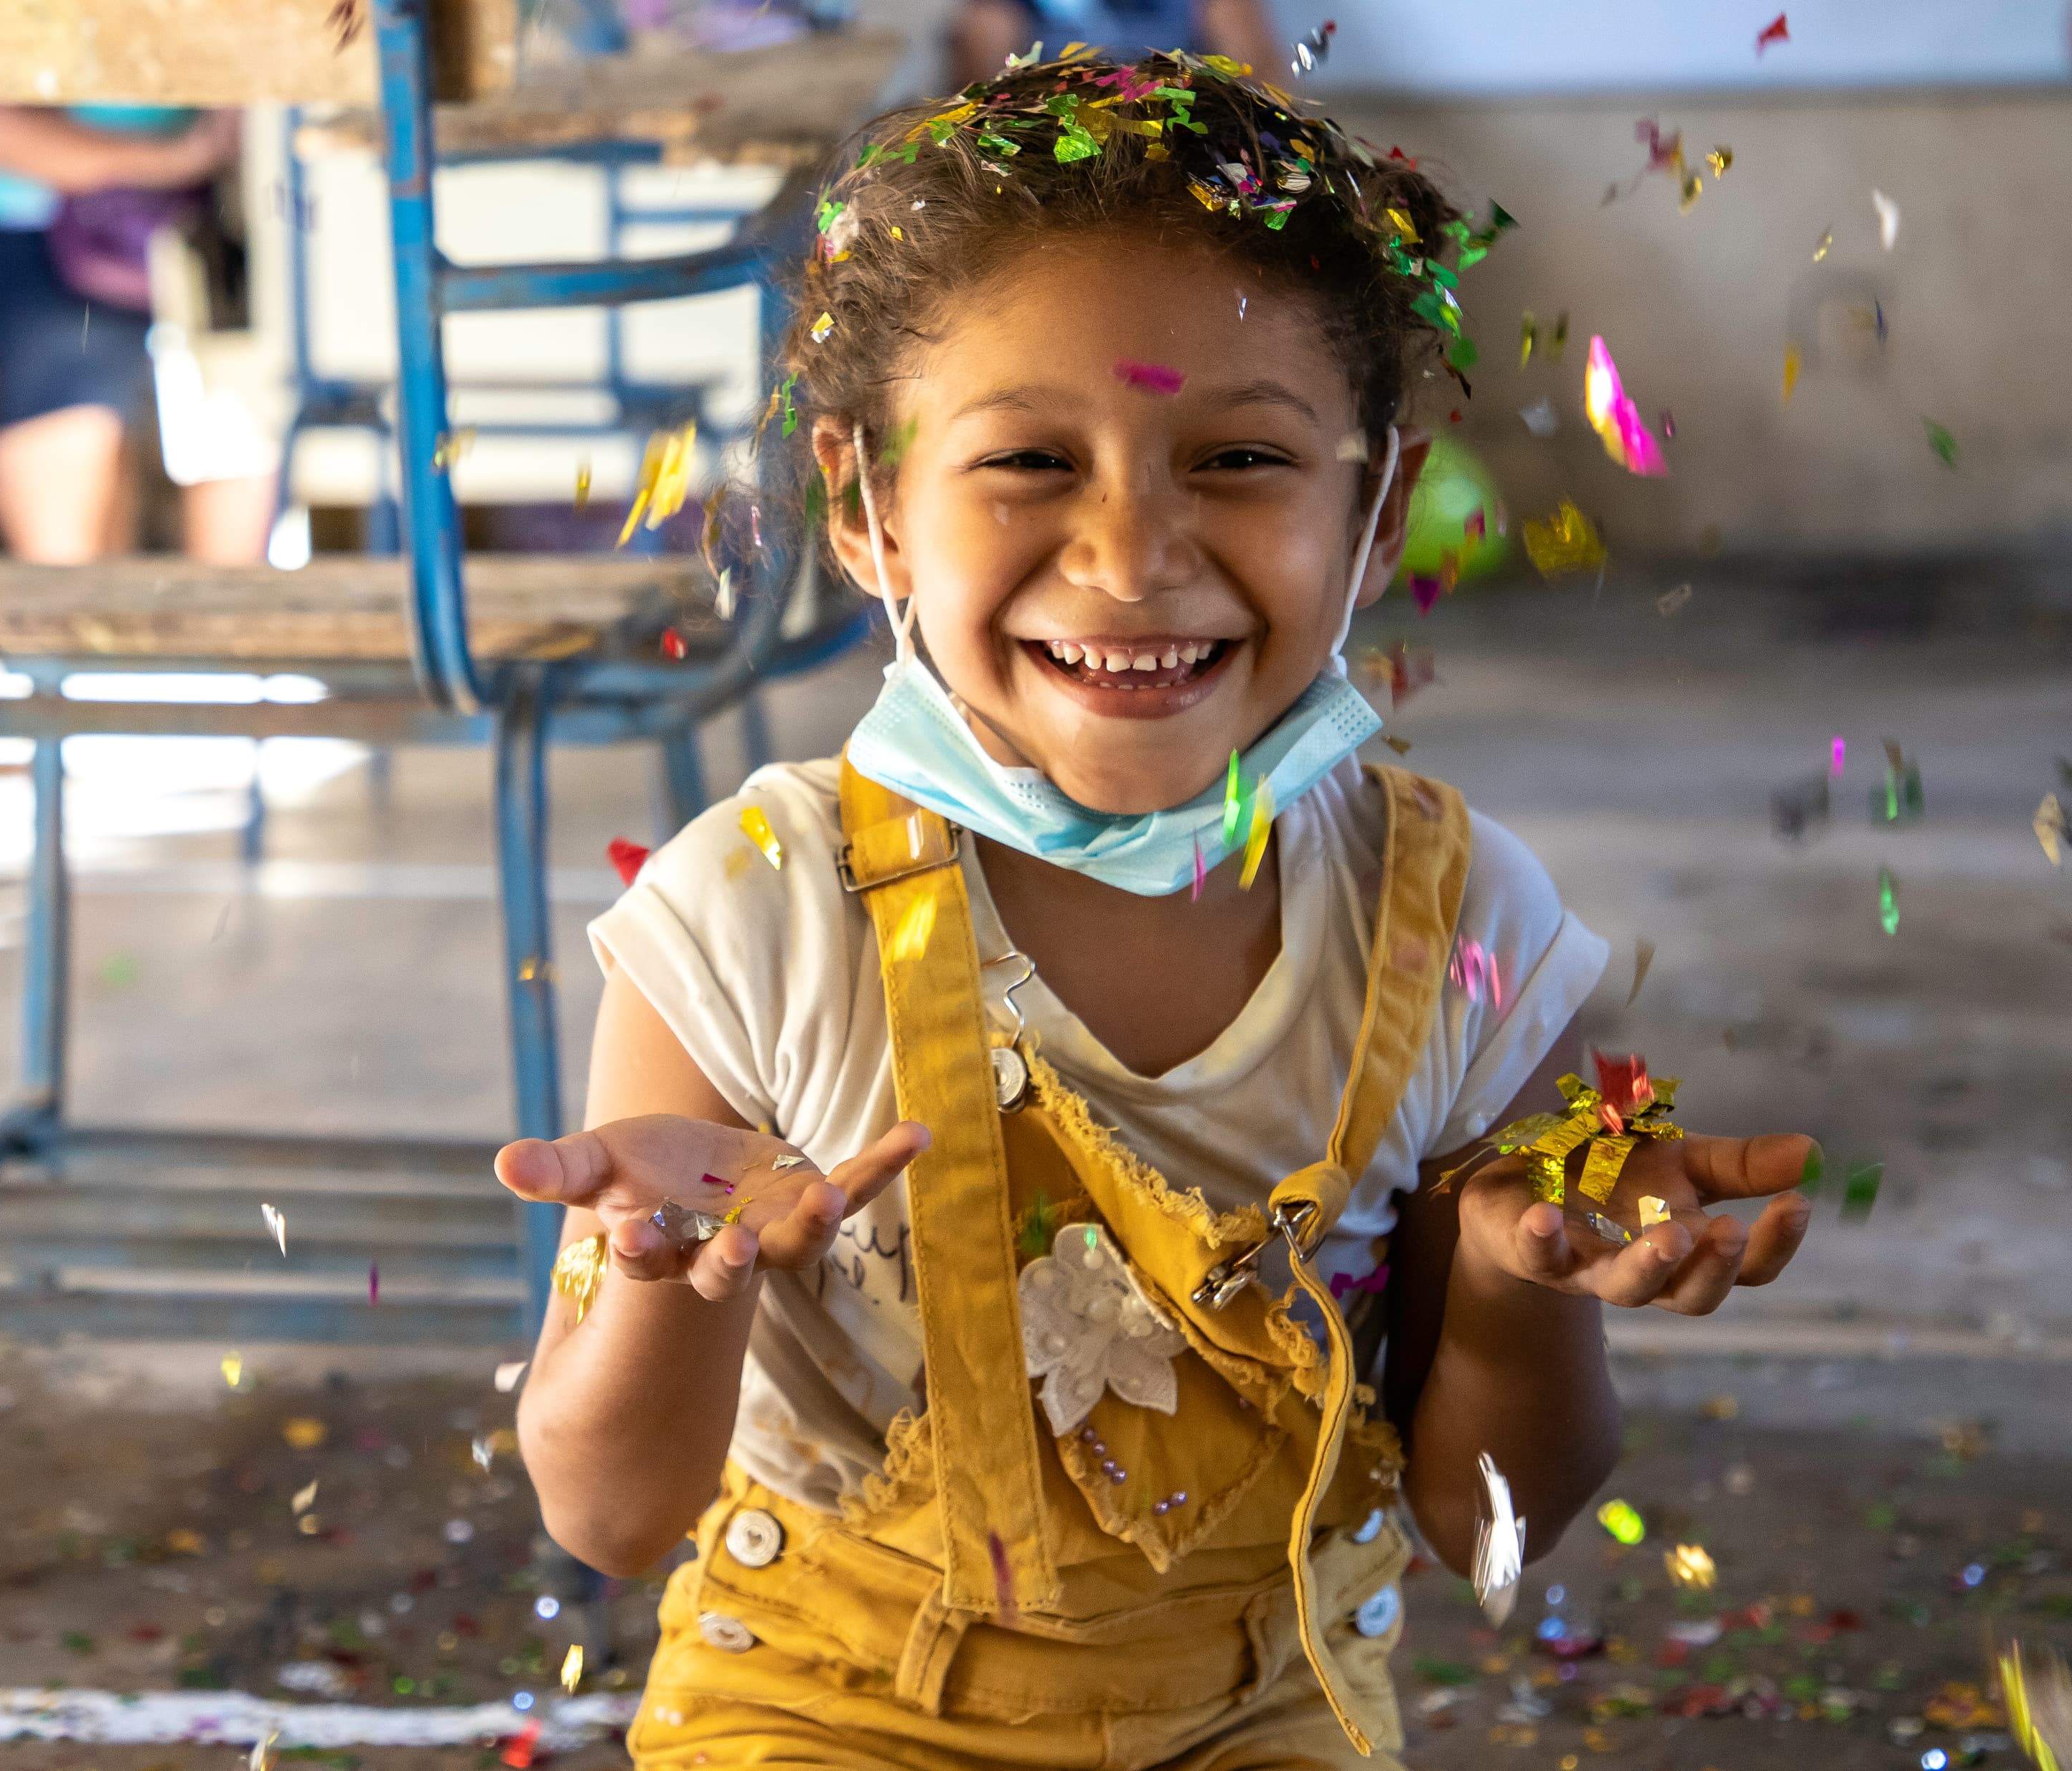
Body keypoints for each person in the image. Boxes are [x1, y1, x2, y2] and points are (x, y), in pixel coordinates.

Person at [494, 50, 1820, 1771]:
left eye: (1241, 457)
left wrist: (1509, 1276)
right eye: (1031, 458)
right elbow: (606, 1511)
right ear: (866, 503)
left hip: (1262, 1712)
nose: (1130, 554)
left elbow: (1509, 1512)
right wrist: (670, 1281)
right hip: (817, 1712)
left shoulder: (1458, 918)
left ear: (1378, 504)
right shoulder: (749, 917)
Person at [0, 104, 274, 565]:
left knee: (243, 360)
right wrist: (184, 157)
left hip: (176, 223)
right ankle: (68, 608)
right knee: (74, 345)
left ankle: (224, 612)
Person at [950, 0, 1279, 93]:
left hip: (1181, 133)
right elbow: (980, 90)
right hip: (1055, 138)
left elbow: (1261, 81)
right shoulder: (997, 11)